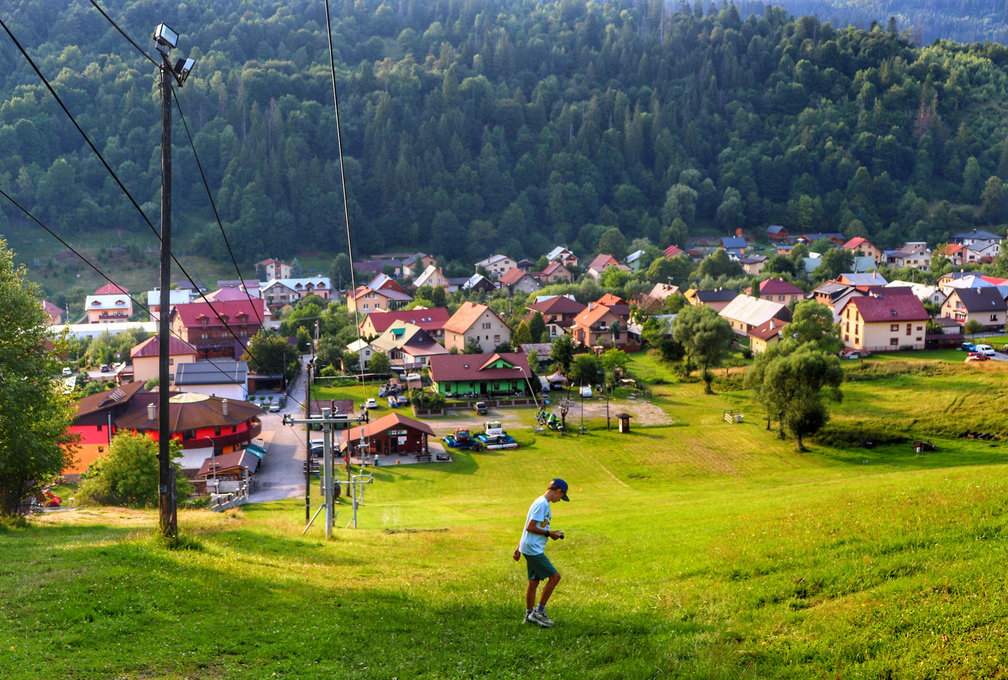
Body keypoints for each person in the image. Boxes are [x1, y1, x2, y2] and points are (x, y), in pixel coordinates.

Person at [513, 478, 569, 627]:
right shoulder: (542, 504)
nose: (560, 500)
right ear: (557, 491)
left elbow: (527, 525)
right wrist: (549, 533)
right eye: (561, 496)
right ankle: (538, 612)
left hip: (529, 546)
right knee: (555, 577)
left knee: (534, 582)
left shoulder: (540, 502)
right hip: (533, 549)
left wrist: (519, 547)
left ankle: (528, 615)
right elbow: (530, 527)